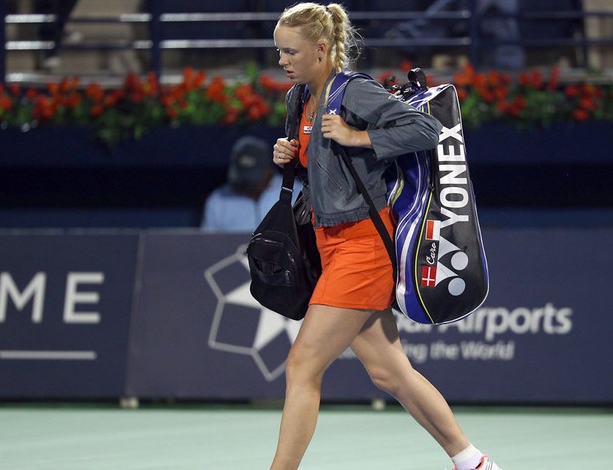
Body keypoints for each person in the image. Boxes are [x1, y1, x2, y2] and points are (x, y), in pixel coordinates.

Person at [270, 3, 504, 470]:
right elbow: (326, 167)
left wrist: (359, 138)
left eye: (290, 51)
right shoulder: (300, 97)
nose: (282, 61)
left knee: (302, 367)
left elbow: (425, 128)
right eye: (279, 51)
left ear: (320, 49)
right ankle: (473, 462)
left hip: (361, 248)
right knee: (390, 372)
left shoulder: (354, 91)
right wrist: (291, 155)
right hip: (328, 244)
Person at [201, 135, 299, 233]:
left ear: (268, 170)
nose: (248, 186)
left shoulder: (295, 191)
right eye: (244, 180)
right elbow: (207, 244)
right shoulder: (218, 201)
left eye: (253, 179)